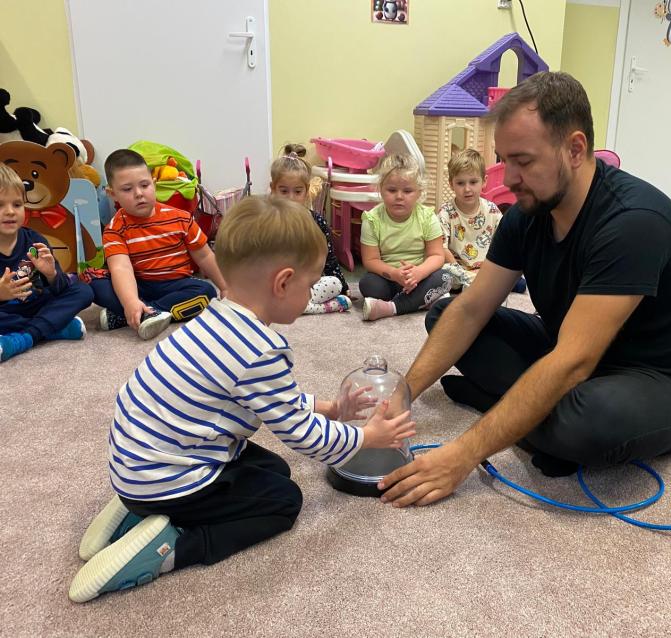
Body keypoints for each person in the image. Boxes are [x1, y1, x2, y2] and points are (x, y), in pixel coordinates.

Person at [378, 71, 671, 507]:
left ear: (575, 149)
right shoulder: (529, 211)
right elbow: (471, 310)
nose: (510, 178)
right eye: (504, 160)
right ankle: (527, 414)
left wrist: (462, 454)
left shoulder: (633, 222)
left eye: (523, 161)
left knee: (590, 422)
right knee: (446, 314)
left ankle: (509, 408)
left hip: (660, 378)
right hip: (569, 346)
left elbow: (574, 361)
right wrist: (402, 395)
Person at [69, 195, 415, 603]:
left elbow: (271, 400)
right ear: (283, 283)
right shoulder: (259, 350)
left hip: (139, 462)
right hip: (168, 478)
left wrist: (332, 410)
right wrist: (366, 438)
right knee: (283, 501)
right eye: (309, 286)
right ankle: (174, 544)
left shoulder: (216, 317)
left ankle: (136, 509)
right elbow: (303, 436)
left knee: (274, 469)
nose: (311, 295)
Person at [89, 149, 228, 340]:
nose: (139, 194)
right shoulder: (115, 229)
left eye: (144, 185)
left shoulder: (180, 218)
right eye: (127, 189)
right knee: (94, 282)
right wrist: (130, 301)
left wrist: (225, 287)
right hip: (138, 286)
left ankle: (141, 313)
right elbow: (121, 268)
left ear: (154, 184)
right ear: (112, 194)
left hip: (176, 284)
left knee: (207, 292)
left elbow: (204, 256)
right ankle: (137, 310)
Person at [0, 164, 93, 362]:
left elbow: (61, 288)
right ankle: (51, 328)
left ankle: (26, 337)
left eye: (17, 205)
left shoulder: (35, 240)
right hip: (5, 314)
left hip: (37, 305)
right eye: (0, 205)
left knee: (83, 291)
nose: (10, 212)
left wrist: (52, 274)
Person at [359, 154, 450, 321]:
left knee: (444, 277)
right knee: (368, 284)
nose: (399, 196)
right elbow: (370, 260)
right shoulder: (372, 219)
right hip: (389, 279)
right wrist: (394, 274)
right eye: (392, 190)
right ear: (381, 189)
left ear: (419, 192)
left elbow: (437, 255)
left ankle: (391, 308)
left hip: (420, 278)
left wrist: (419, 273)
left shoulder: (427, 217)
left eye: (407, 191)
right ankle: (423, 300)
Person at [270, 149, 351, 314]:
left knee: (334, 283)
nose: (291, 198)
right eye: (284, 191)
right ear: (273, 189)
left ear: (306, 190)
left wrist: (344, 286)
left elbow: (329, 258)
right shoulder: (268, 220)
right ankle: (314, 306)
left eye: (297, 192)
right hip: (278, 283)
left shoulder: (316, 221)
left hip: (308, 283)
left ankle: (297, 305)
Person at [437, 148, 525, 293]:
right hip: (458, 270)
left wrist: (491, 269)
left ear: (484, 181)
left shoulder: (491, 210)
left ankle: (479, 284)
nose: (467, 189)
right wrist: (461, 272)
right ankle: (474, 285)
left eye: (473, 182)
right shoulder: (445, 212)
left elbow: (504, 241)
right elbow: (442, 247)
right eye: (460, 183)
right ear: (451, 184)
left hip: (487, 269)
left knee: (519, 283)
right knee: (440, 276)